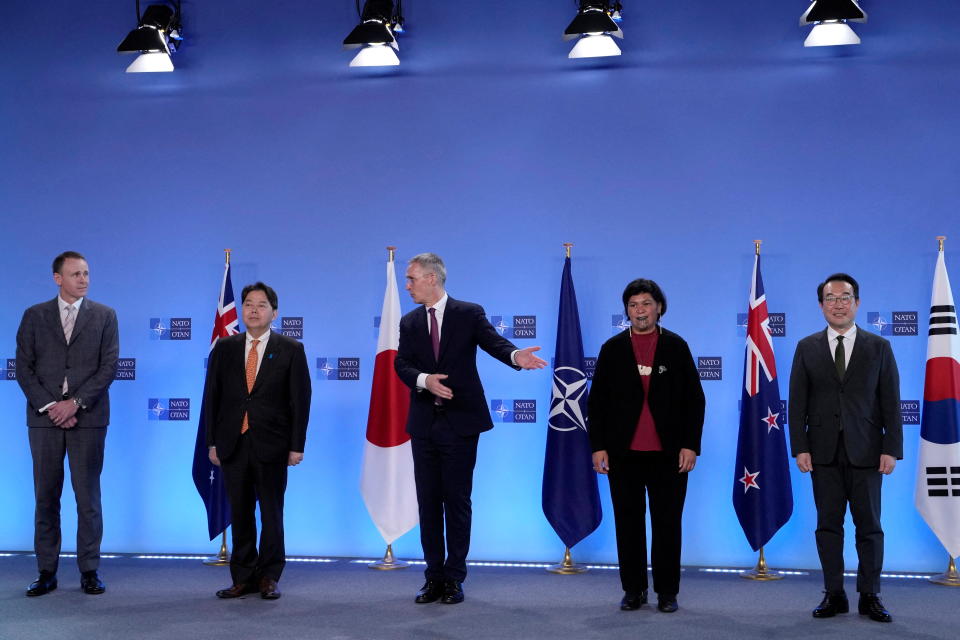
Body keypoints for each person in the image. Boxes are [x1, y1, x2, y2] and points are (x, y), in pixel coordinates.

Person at [395, 253, 547, 604]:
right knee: (428, 503)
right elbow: (401, 363)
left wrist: (515, 358)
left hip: (460, 423)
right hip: (424, 425)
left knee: (457, 501)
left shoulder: (469, 312)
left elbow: (494, 343)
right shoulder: (409, 322)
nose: (408, 286)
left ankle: (454, 578)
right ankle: (432, 577)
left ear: (432, 278)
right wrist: (424, 380)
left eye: (412, 278)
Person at [788, 273, 902, 623]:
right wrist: (800, 447)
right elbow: (797, 403)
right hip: (822, 453)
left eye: (845, 297)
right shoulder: (807, 347)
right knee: (828, 527)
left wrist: (891, 448)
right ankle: (833, 593)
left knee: (870, 527)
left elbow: (890, 402)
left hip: (868, 451)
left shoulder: (878, 347)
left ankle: (870, 595)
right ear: (821, 305)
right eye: (831, 298)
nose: (838, 303)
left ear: (857, 303)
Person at [588, 278, 704, 613]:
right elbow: (597, 404)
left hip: (669, 455)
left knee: (668, 524)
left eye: (646, 304)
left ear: (659, 308)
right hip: (622, 455)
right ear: (627, 310)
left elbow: (694, 401)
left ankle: (668, 592)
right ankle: (634, 590)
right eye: (634, 305)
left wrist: (690, 445)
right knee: (628, 524)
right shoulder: (612, 349)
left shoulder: (677, 346)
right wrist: (598, 447)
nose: (640, 311)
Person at [16, 251, 119, 597]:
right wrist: (51, 406)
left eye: (87, 273)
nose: (84, 279)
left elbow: (108, 368)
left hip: (88, 419)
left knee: (88, 497)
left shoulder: (105, 316)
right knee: (46, 496)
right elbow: (23, 368)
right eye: (76, 274)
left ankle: (89, 570)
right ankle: (46, 571)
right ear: (57, 278)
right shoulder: (34, 316)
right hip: (44, 422)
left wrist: (74, 404)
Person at [204, 282, 311, 600]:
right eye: (248, 304)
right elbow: (213, 398)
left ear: (274, 313)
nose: (253, 310)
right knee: (239, 512)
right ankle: (243, 576)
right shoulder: (225, 348)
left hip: (273, 444)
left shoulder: (291, 349)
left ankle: (269, 576)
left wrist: (296, 446)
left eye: (261, 305)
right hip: (233, 443)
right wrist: (212, 443)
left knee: (272, 513)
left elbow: (300, 401)